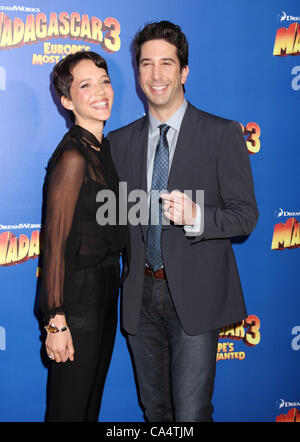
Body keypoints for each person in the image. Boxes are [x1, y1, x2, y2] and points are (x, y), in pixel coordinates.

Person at [108, 21, 258, 422]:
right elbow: (115, 220)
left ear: (184, 71)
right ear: (137, 73)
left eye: (167, 64)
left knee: (191, 415)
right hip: (140, 298)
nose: (156, 75)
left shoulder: (222, 133)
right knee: (156, 412)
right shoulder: (118, 143)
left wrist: (199, 218)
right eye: (146, 64)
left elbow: (246, 216)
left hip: (194, 296)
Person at [39, 51, 129, 422]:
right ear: (67, 100)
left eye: (105, 82)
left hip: (107, 293)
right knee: (69, 410)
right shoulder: (73, 157)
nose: (101, 92)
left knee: (89, 408)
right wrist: (56, 319)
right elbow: (54, 245)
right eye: (86, 85)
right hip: (77, 302)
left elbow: (115, 223)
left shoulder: (103, 150)